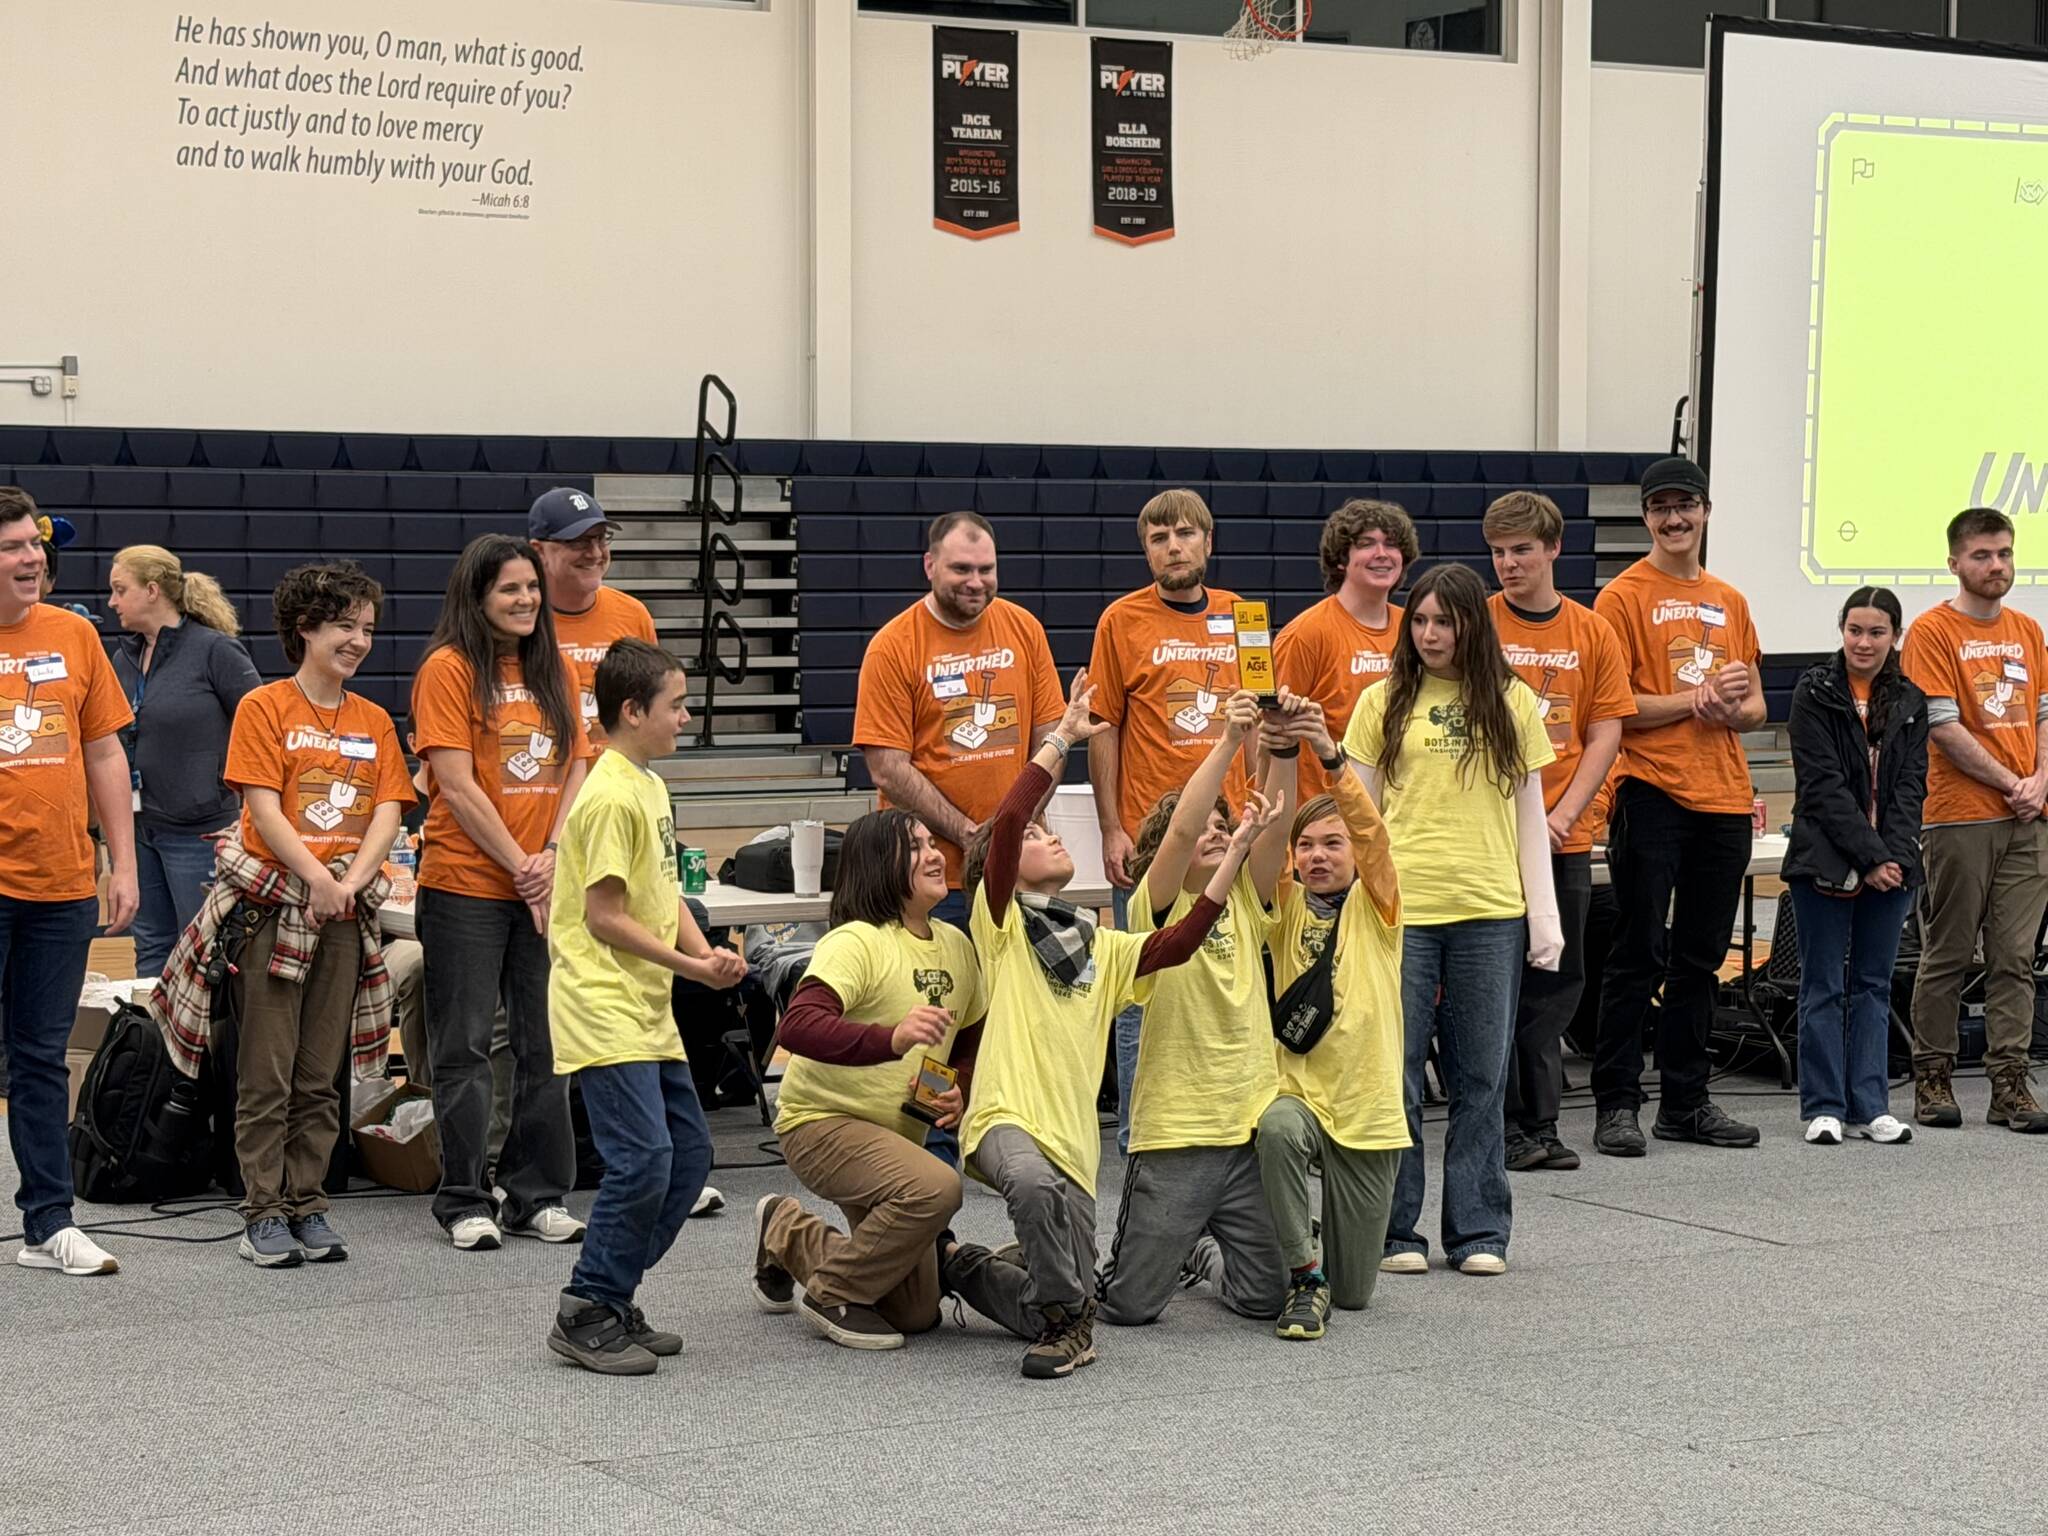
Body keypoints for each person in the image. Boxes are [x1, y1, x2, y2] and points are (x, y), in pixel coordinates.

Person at [944, 670, 1271, 1379]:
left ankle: (965, 1267)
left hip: (1073, 1142)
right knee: (1032, 1200)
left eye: (1046, 831)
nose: (1048, 837)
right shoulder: (998, 924)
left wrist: (1239, 851)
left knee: (1061, 1292)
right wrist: (1060, 739)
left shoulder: (1101, 945)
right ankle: (1070, 1332)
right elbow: (1003, 825)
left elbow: (1177, 943)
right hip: (1006, 1116)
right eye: (1037, 835)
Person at [1344, 563, 1556, 1277]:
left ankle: (1478, 1232)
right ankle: (1395, 1230)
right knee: (1395, 1075)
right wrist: (1353, 909)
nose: (1431, 634)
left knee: (1480, 1077)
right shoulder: (1381, 701)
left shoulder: (1513, 701)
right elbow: (1359, 818)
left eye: (1445, 621)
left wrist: (1544, 919)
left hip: (1490, 910)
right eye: (1421, 622)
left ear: (1471, 624)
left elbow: (1531, 817)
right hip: (1402, 913)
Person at [544, 640, 744, 1374]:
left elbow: (663, 892)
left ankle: (616, 1290)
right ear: (632, 711)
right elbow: (604, 916)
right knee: (643, 1160)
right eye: (677, 706)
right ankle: (588, 1303)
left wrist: (706, 950)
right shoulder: (606, 795)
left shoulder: (649, 786)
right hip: (603, 1004)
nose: (686, 718)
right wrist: (691, 964)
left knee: (687, 1156)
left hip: (645, 1006)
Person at [213, 561, 411, 1265]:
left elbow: (389, 809)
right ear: (305, 629)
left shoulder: (374, 719)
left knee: (320, 1072)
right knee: (266, 1071)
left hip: (343, 913)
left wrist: (351, 882)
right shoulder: (264, 708)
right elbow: (262, 808)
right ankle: (262, 1211)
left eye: (367, 629)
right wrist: (314, 880)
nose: (358, 641)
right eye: (344, 626)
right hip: (274, 910)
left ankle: (310, 1201)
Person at [413, 534, 591, 1250]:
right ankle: (463, 1198)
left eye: (530, 588)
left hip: (543, 884)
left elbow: (579, 768)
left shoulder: (557, 671)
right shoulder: (448, 670)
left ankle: (535, 1194)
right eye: (508, 589)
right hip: (465, 886)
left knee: (547, 1044)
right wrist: (521, 863)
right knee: (462, 1047)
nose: (524, 600)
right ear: (477, 595)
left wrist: (551, 856)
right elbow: (454, 783)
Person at [751, 809, 984, 1351]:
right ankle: (830, 1291)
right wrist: (892, 1039)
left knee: (915, 1312)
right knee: (939, 1188)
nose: (933, 854)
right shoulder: (856, 941)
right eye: (915, 847)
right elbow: (799, 1026)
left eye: (932, 843)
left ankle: (783, 1228)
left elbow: (969, 1036)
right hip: (821, 1123)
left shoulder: (957, 944)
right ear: (880, 865)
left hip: (897, 1137)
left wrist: (959, 1090)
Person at [1096, 688, 1292, 1328]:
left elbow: (1275, 826)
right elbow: (1183, 824)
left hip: (1245, 1129)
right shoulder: (1150, 908)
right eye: (1208, 826)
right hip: (1178, 1134)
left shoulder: (1244, 898)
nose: (1216, 831)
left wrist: (1281, 741)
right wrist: (1232, 740)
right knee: (1128, 1308)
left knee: (1265, 1298)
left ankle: (1201, 1251)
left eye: (1223, 826)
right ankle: (1175, 1245)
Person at [1590, 457, 1766, 1155]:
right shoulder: (1622, 599)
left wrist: (1731, 706)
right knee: (1638, 951)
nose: (1674, 518)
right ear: (1645, 518)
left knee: (1700, 958)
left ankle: (1687, 1101)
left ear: (1705, 511)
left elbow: (1753, 707)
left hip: (1723, 797)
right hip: (1652, 789)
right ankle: (1616, 1102)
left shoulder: (1732, 600)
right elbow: (1614, 708)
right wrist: (1693, 700)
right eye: (1660, 508)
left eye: (1685, 506)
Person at [0, 489, 137, 1277]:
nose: (32, 558)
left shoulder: (75, 633)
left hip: (59, 885)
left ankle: (48, 1223)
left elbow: (105, 754)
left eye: (34, 544)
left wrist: (120, 860)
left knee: (42, 1059)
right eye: (14, 546)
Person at [1088, 488, 1247, 1149]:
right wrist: (1110, 826)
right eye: (1159, 538)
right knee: (1142, 988)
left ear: (1208, 542)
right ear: (1146, 551)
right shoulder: (1120, 621)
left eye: (1185, 534)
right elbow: (1103, 727)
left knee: (1234, 976)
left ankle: (1232, 1121)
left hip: (1230, 830)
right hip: (1153, 839)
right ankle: (1139, 1131)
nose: (1174, 546)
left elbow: (1261, 718)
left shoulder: (1246, 616)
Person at [1483, 493, 1635, 1172]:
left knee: (1557, 980)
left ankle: (1542, 1123)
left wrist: (1566, 814)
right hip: (1490, 839)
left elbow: (1605, 730)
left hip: (1562, 837)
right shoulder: (1477, 623)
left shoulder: (1590, 630)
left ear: (1552, 550)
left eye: (1521, 550)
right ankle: (1508, 1124)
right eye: (1498, 552)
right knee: (1497, 984)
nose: (1508, 563)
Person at [1255, 700, 1407, 1340]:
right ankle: (1301, 1275)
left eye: (1331, 844)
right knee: (1276, 1128)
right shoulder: (1282, 907)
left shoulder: (1380, 907)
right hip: (1299, 1094)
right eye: (1307, 847)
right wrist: (1282, 752)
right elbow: (1268, 832)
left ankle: (1311, 1261)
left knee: (1357, 1295)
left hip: (1368, 1106)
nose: (1318, 856)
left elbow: (1373, 832)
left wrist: (1330, 753)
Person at [1902, 508, 2048, 1132]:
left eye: (2006, 554)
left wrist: (2040, 781)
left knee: (2015, 956)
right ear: (1956, 562)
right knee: (1951, 952)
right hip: (1960, 815)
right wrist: (2009, 781)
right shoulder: (1932, 632)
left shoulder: (2028, 630)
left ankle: (2009, 1083)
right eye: (1984, 555)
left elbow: (2043, 715)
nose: (1997, 566)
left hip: (2029, 816)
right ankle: (1932, 1076)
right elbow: (1941, 727)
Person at [855, 511, 1064, 926]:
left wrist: (1009, 834)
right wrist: (974, 837)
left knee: (1016, 991)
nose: (975, 581)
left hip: (1018, 872)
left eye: (986, 569)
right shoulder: (893, 647)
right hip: (931, 880)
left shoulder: (1025, 629)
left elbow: (1051, 745)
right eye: (961, 569)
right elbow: (888, 771)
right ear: (930, 566)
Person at [1784, 588, 1927, 1147]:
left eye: (1876, 632)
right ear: (1840, 630)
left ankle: (1871, 1105)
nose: (1864, 642)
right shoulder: (1813, 691)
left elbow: (1911, 788)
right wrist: (1869, 857)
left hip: (1891, 866)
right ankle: (1823, 1105)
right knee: (1823, 983)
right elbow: (1821, 786)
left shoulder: (1912, 699)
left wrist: (1890, 858)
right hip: (1826, 857)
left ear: (1896, 636)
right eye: (1855, 630)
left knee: (1872, 983)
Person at [107, 545, 262, 979]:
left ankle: (206, 1047)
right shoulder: (125, 657)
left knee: (201, 949)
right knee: (151, 948)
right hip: (141, 827)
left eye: (120, 591)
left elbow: (262, 728)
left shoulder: (216, 651)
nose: (112, 602)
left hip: (199, 830)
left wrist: (249, 807)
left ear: (152, 591)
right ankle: (153, 1046)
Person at [1274, 498, 1419, 804]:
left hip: (1401, 814)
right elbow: (1272, 732)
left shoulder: (1415, 629)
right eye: (1367, 544)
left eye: (1392, 545)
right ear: (1341, 558)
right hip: (1326, 820)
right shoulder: (1306, 633)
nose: (1382, 554)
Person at [530, 486, 658, 748]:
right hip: (544, 781)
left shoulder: (633, 614)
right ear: (539, 551)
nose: (595, 553)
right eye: (578, 541)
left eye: (601, 539)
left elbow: (652, 705)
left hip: (614, 781)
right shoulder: (519, 620)